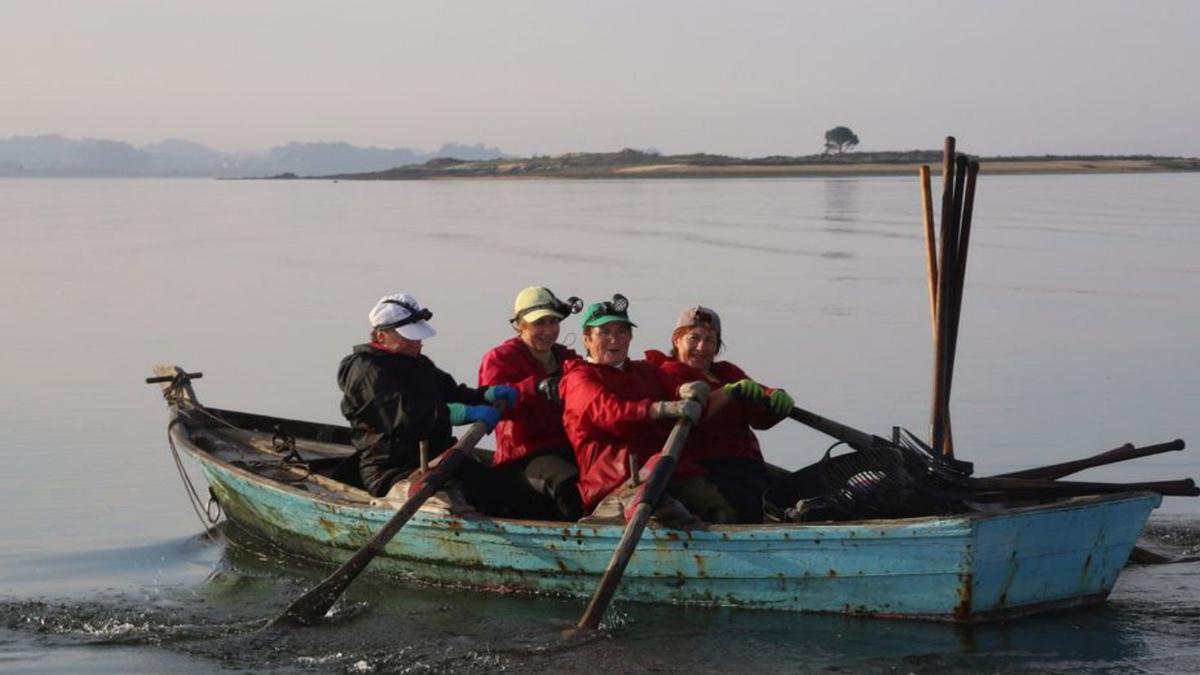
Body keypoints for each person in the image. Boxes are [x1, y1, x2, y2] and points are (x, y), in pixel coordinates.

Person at [559, 294, 737, 524]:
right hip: (615, 483)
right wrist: (661, 409)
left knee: (718, 508)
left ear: (630, 337)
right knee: (668, 515)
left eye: (621, 332)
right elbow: (610, 413)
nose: (614, 339)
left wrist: (687, 389)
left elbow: (672, 384)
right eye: (604, 332)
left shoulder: (645, 371)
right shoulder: (579, 379)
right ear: (587, 339)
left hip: (666, 471)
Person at [337, 293, 518, 513]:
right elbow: (406, 417)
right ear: (381, 336)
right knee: (451, 506)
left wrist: (485, 395)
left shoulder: (417, 363)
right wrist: (462, 414)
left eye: (418, 337)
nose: (418, 343)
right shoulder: (366, 371)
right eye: (409, 338)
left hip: (438, 458)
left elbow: (452, 393)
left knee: (502, 490)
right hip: (391, 470)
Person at [645, 305, 794, 522]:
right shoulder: (668, 373)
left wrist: (775, 398)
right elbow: (695, 417)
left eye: (710, 341)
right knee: (750, 507)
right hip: (704, 467)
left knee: (786, 497)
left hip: (744, 465)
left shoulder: (727, 372)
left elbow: (760, 418)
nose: (701, 347)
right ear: (677, 341)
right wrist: (726, 393)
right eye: (694, 338)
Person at [478, 286, 584, 520]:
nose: (548, 331)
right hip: (522, 458)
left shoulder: (568, 359)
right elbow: (491, 400)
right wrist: (536, 387)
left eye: (553, 322)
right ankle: (584, 541)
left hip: (568, 448)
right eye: (539, 324)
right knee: (568, 484)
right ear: (519, 325)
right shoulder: (499, 359)